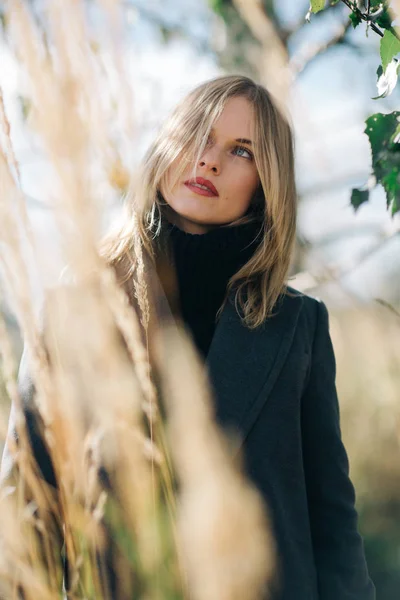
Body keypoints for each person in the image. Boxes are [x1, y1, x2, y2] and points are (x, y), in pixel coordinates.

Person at [2, 75, 375, 600]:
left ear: (267, 181)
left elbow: (332, 521)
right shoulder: (73, 310)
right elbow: (27, 511)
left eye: (241, 150)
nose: (209, 160)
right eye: (196, 133)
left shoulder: (297, 324)